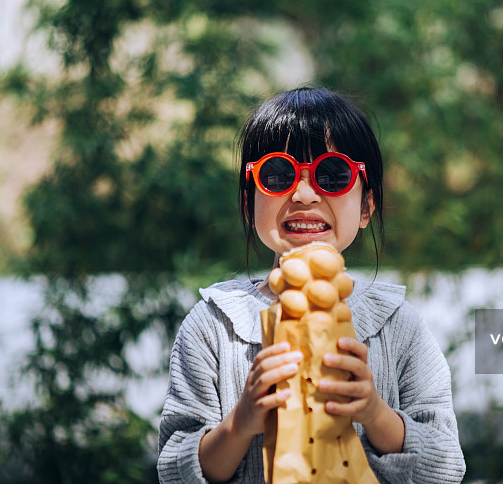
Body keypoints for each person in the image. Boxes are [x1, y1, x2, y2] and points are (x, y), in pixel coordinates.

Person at [157, 87, 466, 483]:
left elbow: (446, 466)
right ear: (249, 203)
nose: (304, 195)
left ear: (367, 206)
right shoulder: (213, 326)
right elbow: (173, 470)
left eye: (332, 175)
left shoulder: (398, 327)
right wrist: (241, 422)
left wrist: (375, 413)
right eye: (278, 175)